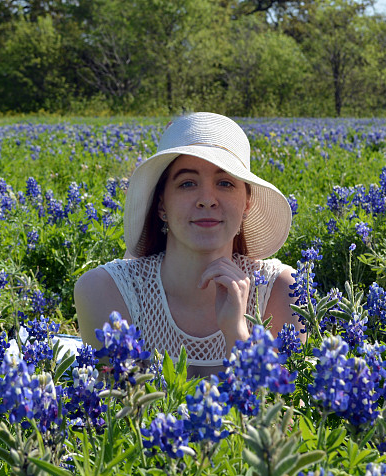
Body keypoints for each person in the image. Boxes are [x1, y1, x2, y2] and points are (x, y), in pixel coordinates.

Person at [74, 112, 303, 378]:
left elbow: (283, 415)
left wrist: (237, 334)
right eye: (187, 183)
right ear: (162, 204)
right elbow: (117, 415)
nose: (207, 199)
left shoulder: (282, 289)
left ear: (246, 205)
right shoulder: (105, 290)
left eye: (225, 183)